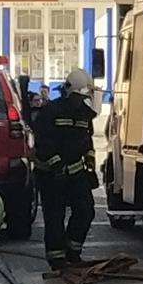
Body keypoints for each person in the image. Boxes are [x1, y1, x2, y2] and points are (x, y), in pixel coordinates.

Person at [33, 68, 101, 270]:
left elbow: (87, 141)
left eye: (83, 98)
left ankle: (73, 250)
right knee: (55, 216)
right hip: (50, 174)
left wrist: (90, 164)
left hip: (76, 171)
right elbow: (43, 142)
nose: (81, 101)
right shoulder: (50, 112)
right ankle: (56, 258)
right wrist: (56, 165)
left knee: (86, 210)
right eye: (79, 97)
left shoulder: (85, 115)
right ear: (69, 93)